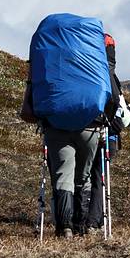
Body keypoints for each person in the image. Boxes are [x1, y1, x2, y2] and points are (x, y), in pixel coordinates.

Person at [19, 14, 112, 239]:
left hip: (55, 124)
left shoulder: (50, 55)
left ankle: (65, 229)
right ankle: (81, 226)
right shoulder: (92, 57)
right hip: (90, 123)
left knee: (62, 176)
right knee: (84, 176)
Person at [85, 34, 130, 234]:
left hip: (84, 131)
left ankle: (77, 219)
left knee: (81, 176)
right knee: (98, 178)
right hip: (107, 136)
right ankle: (94, 222)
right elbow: (121, 116)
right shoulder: (111, 76)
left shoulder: (85, 73)